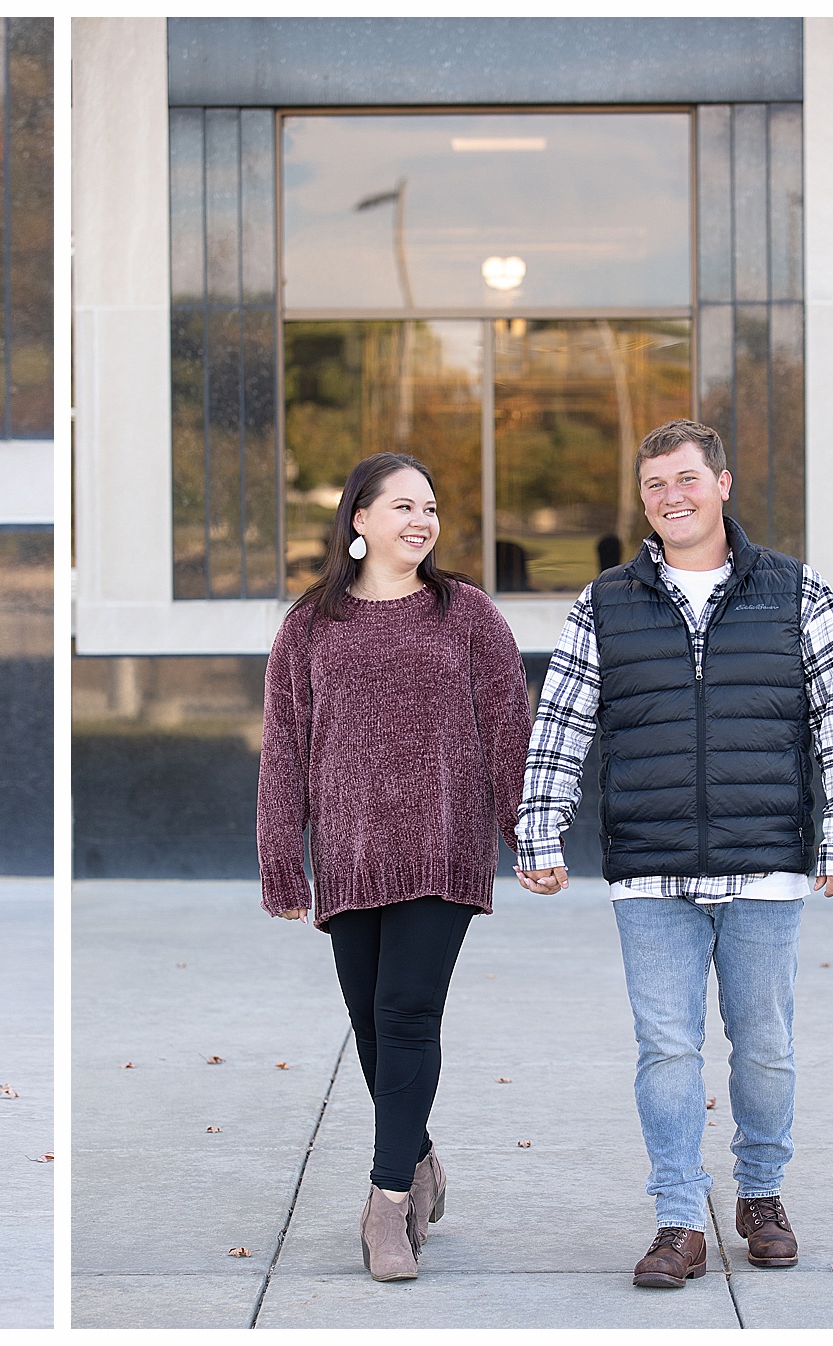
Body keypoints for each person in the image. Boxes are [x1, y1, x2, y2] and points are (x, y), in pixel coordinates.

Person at [514, 418, 833, 1290]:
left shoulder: (797, 593)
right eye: (654, 487)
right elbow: (560, 724)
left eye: (685, 480)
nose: (671, 498)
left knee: (766, 1046)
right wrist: (539, 830)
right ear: (643, 501)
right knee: (667, 1050)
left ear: (723, 483)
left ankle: (761, 1194)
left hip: (764, 865)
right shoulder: (605, 602)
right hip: (652, 869)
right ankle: (678, 1217)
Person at [256, 452, 531, 1282]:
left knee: (408, 1015)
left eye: (431, 508)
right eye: (404, 506)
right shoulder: (309, 626)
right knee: (373, 1028)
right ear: (359, 521)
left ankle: (384, 1204)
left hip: (444, 844)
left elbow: (508, 728)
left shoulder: (468, 615)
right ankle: (419, 1158)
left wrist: (529, 834)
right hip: (349, 852)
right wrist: (282, 860)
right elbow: (285, 749)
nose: (421, 521)